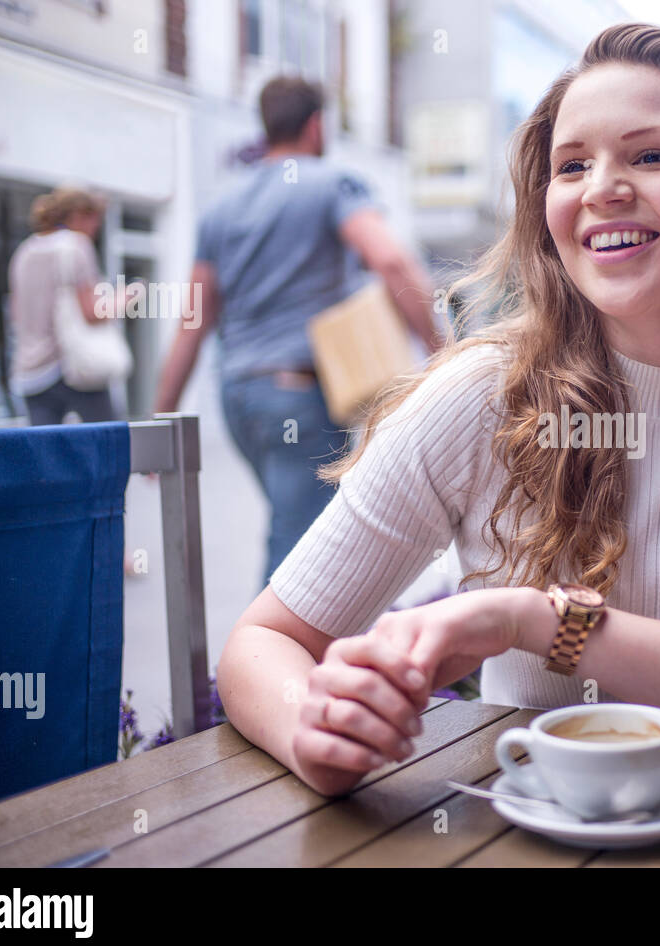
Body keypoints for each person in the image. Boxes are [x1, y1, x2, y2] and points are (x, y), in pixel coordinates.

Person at [218, 24, 660, 798]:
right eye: (571, 165)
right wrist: (308, 725)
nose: (601, 188)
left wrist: (541, 623)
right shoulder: (482, 394)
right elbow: (263, 642)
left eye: (651, 155)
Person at [153, 76, 443, 584]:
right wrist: (444, 350)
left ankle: (321, 652)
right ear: (315, 125)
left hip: (239, 397)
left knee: (301, 529)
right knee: (302, 556)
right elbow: (391, 260)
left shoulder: (220, 210)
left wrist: (160, 417)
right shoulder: (331, 185)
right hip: (297, 398)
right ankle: (265, 658)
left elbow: (193, 319)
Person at [8, 186, 119, 425]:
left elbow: (17, 314)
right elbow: (92, 312)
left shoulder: (24, 251)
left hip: (31, 373)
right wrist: (126, 299)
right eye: (95, 221)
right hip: (72, 367)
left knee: (46, 454)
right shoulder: (76, 246)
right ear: (79, 216)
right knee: (109, 446)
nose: (95, 230)